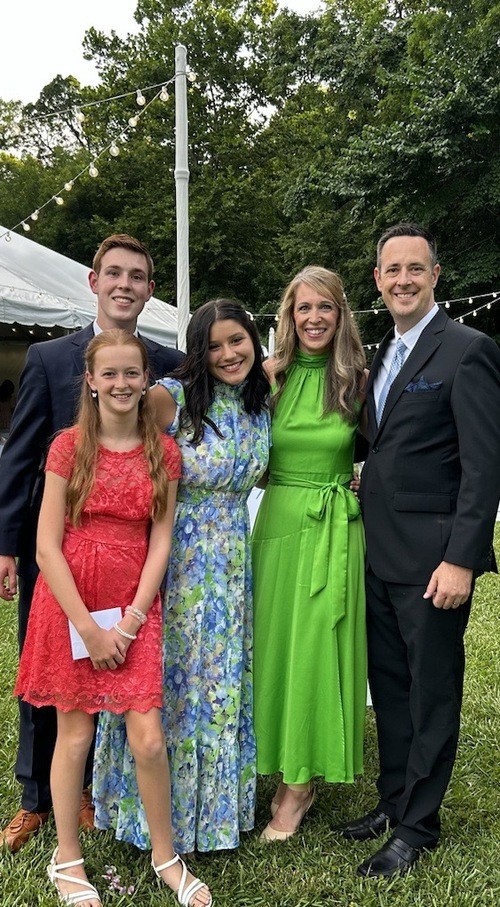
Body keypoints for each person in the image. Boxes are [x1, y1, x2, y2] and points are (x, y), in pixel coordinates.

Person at [14, 330, 211, 907]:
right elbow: (46, 546)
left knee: (148, 738)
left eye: (132, 373)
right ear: (92, 381)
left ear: (146, 380)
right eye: (110, 373)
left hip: (133, 607)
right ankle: (66, 857)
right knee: (75, 733)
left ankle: (165, 855)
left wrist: (127, 623)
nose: (122, 383)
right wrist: (88, 629)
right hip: (72, 604)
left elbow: (161, 539)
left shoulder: (163, 452)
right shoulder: (68, 447)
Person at [0, 233, 183, 853]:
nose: (125, 285)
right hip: (60, 550)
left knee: (125, 686)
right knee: (53, 682)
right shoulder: (50, 357)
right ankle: (36, 798)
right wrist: (6, 543)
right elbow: (21, 454)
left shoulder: (168, 363)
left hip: (132, 556)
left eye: (137, 276)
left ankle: (95, 792)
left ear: (150, 289)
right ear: (94, 282)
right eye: (114, 274)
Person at [335, 223, 500, 878]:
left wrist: (462, 558)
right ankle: (393, 800)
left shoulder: (468, 349)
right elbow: (381, 444)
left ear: (435, 275)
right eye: (392, 270)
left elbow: (484, 467)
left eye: (415, 268)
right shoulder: (382, 351)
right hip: (378, 554)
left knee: (431, 692)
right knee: (391, 688)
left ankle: (418, 825)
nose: (403, 279)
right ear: (377, 279)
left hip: (434, 562)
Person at [92, 300, 270, 856]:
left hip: (233, 566)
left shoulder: (261, 401)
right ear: (198, 350)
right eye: (214, 345)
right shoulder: (172, 397)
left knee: (218, 683)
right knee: (168, 683)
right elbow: (111, 445)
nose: (228, 354)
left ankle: (212, 816)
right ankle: (148, 817)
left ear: (253, 340)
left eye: (237, 340)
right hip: (172, 562)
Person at [252, 265, 368, 841]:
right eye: (304, 308)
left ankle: (298, 788)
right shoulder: (267, 376)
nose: (314, 318)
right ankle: (278, 763)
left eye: (325, 307)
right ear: (289, 316)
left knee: (317, 649)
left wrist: (365, 485)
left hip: (333, 529)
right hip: (277, 523)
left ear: (340, 314)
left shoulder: (359, 379)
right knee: (276, 648)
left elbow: (391, 449)